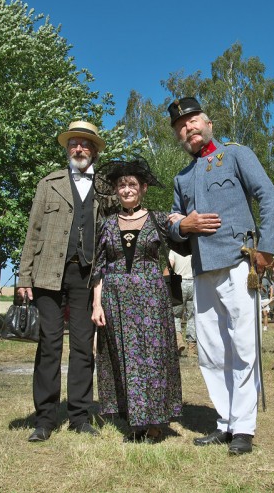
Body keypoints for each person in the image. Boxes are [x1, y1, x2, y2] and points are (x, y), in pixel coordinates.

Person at [167, 97, 274, 456]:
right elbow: (172, 224)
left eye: (193, 120)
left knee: (243, 346)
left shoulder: (235, 154)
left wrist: (266, 249)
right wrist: (183, 225)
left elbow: (268, 195)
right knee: (212, 351)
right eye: (181, 126)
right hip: (202, 270)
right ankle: (225, 422)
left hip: (237, 263)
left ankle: (244, 428)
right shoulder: (181, 177)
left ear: (209, 122)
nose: (189, 128)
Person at [18, 121, 108, 442]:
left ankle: (80, 417)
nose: (79, 149)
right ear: (68, 149)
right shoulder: (48, 184)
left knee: (84, 347)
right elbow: (33, 231)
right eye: (73, 144)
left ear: (94, 150)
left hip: (86, 275)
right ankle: (44, 419)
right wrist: (23, 275)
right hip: (47, 273)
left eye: (84, 144)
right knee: (50, 345)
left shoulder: (104, 188)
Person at [90, 157, 183, 443]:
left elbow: (184, 242)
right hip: (115, 298)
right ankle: (135, 421)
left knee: (152, 357)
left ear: (143, 188)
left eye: (132, 185)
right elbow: (99, 268)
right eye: (121, 185)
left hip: (151, 298)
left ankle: (155, 420)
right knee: (123, 357)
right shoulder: (106, 224)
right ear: (116, 191)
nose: (126, 190)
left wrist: (182, 222)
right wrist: (96, 305)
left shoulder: (159, 219)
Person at [169, 249, 196, 353]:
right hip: (194, 283)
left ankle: (179, 339)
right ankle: (192, 347)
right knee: (192, 316)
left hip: (179, 283)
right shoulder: (193, 248)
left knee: (176, 315)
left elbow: (170, 265)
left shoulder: (174, 250)